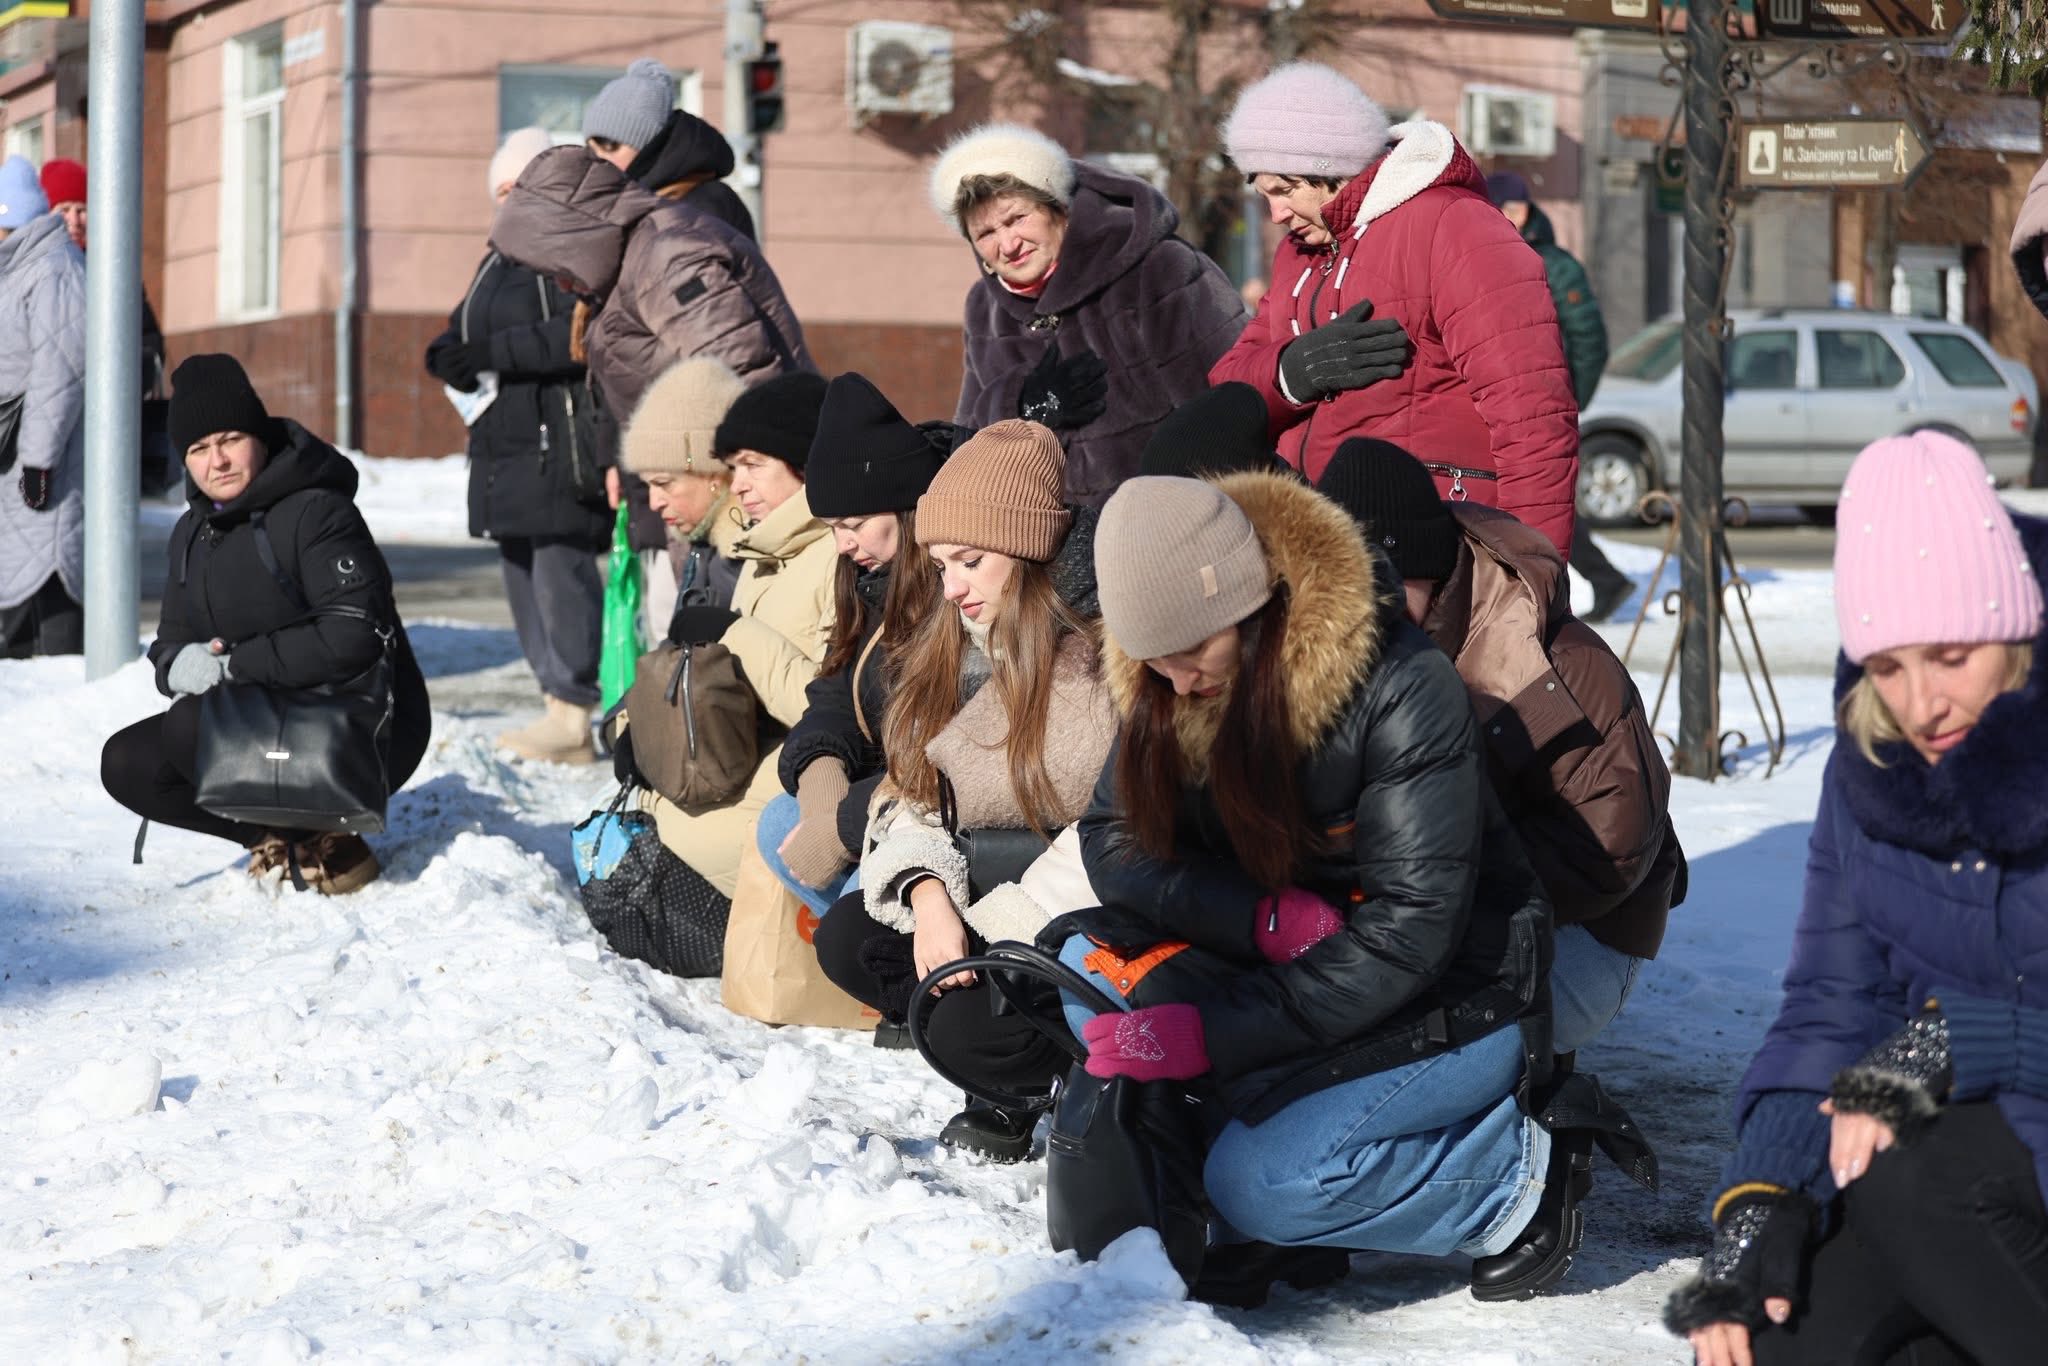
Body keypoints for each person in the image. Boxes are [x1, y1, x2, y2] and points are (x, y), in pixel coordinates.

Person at [1060, 470, 1589, 1309]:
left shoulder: (1401, 687)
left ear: (1251, 603)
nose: (1181, 683)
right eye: (1155, 663)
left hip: (1451, 989)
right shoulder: (1167, 676)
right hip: (1285, 967)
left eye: (1194, 653)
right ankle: (1264, 1210)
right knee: (1080, 965)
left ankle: (1512, 1178)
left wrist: (1212, 1035)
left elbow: (1414, 931)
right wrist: (1257, 917)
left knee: (1267, 1183)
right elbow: (1112, 837)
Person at [1670, 432, 2048, 1366]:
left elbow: (1929, 1057)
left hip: (1976, 1163)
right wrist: (1760, 1198)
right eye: (1886, 666)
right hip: (1969, 1171)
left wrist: (1963, 1041)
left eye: (1951, 655)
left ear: (2012, 627)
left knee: (1911, 1181)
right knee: (1770, 1329)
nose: (1922, 704)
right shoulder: (1868, 772)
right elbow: (1833, 1010)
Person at [812, 420, 1117, 1160]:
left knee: (964, 1023)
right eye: (942, 562)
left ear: (1026, 551)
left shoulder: (1102, 659)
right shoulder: (952, 644)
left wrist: (994, 935)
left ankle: (1062, 1073)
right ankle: (1014, 1065)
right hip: (985, 888)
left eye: (970, 562)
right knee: (850, 937)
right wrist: (927, 897)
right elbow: (914, 793)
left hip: (1081, 913)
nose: (950, 587)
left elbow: (1113, 832)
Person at [1318, 439, 1683, 1058]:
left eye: (1384, 583)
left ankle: (1515, 1135)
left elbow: (1610, 850)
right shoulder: (1345, 645)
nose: (1366, 611)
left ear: (1430, 568)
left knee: (1408, 1029)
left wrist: (1439, 884)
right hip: (1430, 909)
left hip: (1584, 931)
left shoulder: (1551, 661)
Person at [1209, 63, 1579, 556]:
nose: (1275, 214)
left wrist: (1533, 573)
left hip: (1436, 555)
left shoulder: (1454, 226)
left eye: (1285, 189)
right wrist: (1293, 371)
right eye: (1264, 196)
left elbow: (1533, 420)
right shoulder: (1297, 255)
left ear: (1332, 165)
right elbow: (1228, 385)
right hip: (1319, 546)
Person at [99, 354, 431, 893]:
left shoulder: (319, 512)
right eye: (198, 449)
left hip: (358, 725)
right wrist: (175, 667)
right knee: (127, 762)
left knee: (194, 726)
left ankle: (335, 839)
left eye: (229, 439)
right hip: (261, 720)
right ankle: (278, 836)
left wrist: (235, 667)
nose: (217, 461)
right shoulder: (191, 532)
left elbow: (353, 634)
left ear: (258, 435)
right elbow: (168, 643)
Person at [613, 362, 835, 930]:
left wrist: (728, 631)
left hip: (806, 773)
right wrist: (633, 725)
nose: (738, 482)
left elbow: (820, 702)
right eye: (733, 466)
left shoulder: (824, 552)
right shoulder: (758, 552)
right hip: (761, 757)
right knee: (645, 819)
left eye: (749, 466)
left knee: (664, 831)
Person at [931, 123, 1247, 506]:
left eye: (1016, 218)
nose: (1008, 245)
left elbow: (1230, 404)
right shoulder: (985, 309)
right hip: (1048, 547)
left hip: (1165, 528)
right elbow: (970, 453)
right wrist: (1023, 405)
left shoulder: (1159, 270)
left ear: (1057, 207)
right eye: (985, 234)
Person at [425, 127, 609, 765]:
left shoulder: (567, 251)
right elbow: (466, 330)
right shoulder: (498, 260)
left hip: (555, 441)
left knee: (562, 573)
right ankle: (551, 700)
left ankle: (574, 711)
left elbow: (580, 335)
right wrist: (448, 352)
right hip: (504, 444)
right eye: (499, 190)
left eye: (517, 186)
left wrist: (488, 353)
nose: (507, 200)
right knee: (522, 571)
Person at [760, 373, 950, 919]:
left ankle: (891, 969)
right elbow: (836, 692)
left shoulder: (954, 589)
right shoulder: (872, 582)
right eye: (833, 527)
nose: (845, 544)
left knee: (852, 914)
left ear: (907, 508)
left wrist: (843, 823)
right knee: (781, 821)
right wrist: (822, 783)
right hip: (885, 797)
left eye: (858, 523)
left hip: (937, 815)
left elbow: (946, 754)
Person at [579, 57, 759, 636]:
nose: (598, 160)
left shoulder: (699, 211)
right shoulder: (640, 212)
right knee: (663, 615)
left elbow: (714, 345)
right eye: (591, 145)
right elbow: (619, 350)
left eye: (610, 145)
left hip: (692, 447)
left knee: (691, 618)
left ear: (649, 144)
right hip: (655, 443)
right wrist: (617, 453)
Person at [1484, 171, 1631, 621]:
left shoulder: (1555, 264)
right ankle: (1596, 582)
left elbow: (1589, 338)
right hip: (1505, 403)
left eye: (1511, 208)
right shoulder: (1488, 255)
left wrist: (1573, 397)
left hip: (1544, 405)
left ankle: (1569, 594)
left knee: (1544, 500)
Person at [0, 154, 85, 657]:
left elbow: (61, 372)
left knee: (48, 583)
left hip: (44, 473)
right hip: (18, 464)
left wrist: (38, 462)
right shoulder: (23, 268)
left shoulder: (51, 270)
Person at [615, 356, 746, 621]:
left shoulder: (747, 555)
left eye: (664, 483)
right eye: (648, 486)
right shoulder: (703, 544)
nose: (654, 503)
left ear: (712, 471)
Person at [38, 157, 166, 397]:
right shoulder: (31, 269)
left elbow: (149, 340)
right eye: (64, 210)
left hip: (109, 402)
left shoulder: (114, 270)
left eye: (82, 210)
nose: (74, 221)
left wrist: (126, 375)